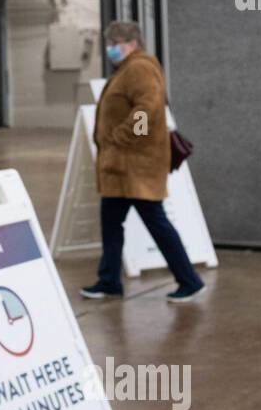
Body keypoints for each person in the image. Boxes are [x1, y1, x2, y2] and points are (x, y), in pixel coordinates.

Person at [81, 21, 205, 303]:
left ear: (132, 43)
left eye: (115, 43)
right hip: (120, 169)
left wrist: (122, 137)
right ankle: (109, 280)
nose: (111, 48)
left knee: (156, 221)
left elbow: (147, 110)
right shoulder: (127, 69)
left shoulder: (139, 68)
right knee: (111, 223)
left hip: (135, 165)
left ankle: (190, 280)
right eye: (109, 43)